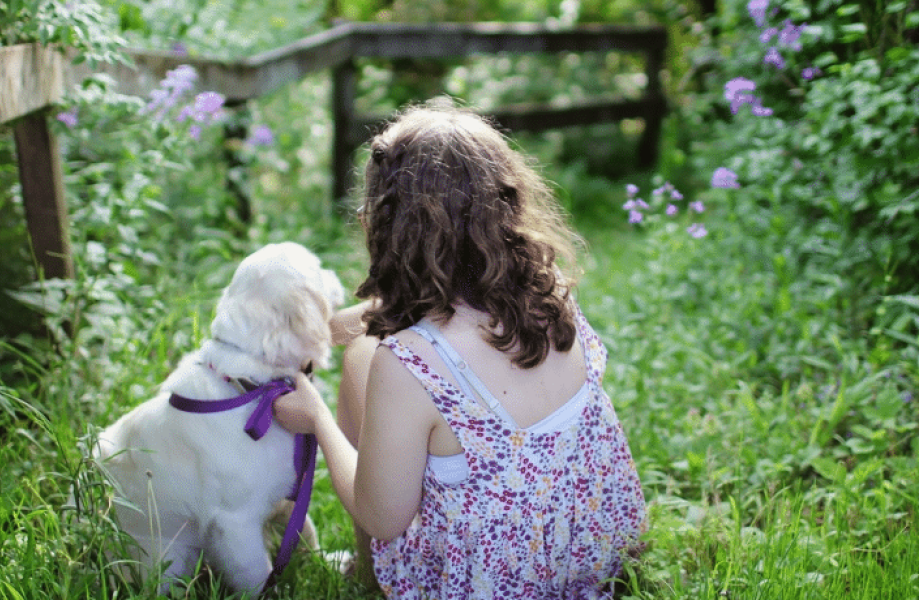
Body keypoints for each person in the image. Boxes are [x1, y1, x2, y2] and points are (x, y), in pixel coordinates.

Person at [274, 102, 647, 598]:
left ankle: (368, 576)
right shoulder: (552, 296)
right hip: (586, 561)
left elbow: (383, 519)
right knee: (366, 348)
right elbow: (445, 320)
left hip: (486, 584)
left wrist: (316, 417)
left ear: (386, 226)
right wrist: (329, 328)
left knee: (362, 358)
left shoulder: (407, 364)